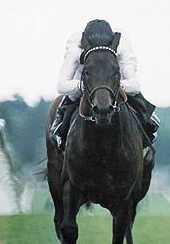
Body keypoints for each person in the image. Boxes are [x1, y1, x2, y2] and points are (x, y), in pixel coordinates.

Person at [51, 19, 159, 151]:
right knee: (60, 114)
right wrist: (84, 85)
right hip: (85, 79)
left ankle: (146, 147)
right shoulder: (75, 46)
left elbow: (135, 84)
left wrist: (116, 85)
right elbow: (62, 85)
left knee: (149, 117)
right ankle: (60, 137)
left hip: (113, 80)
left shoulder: (122, 44)